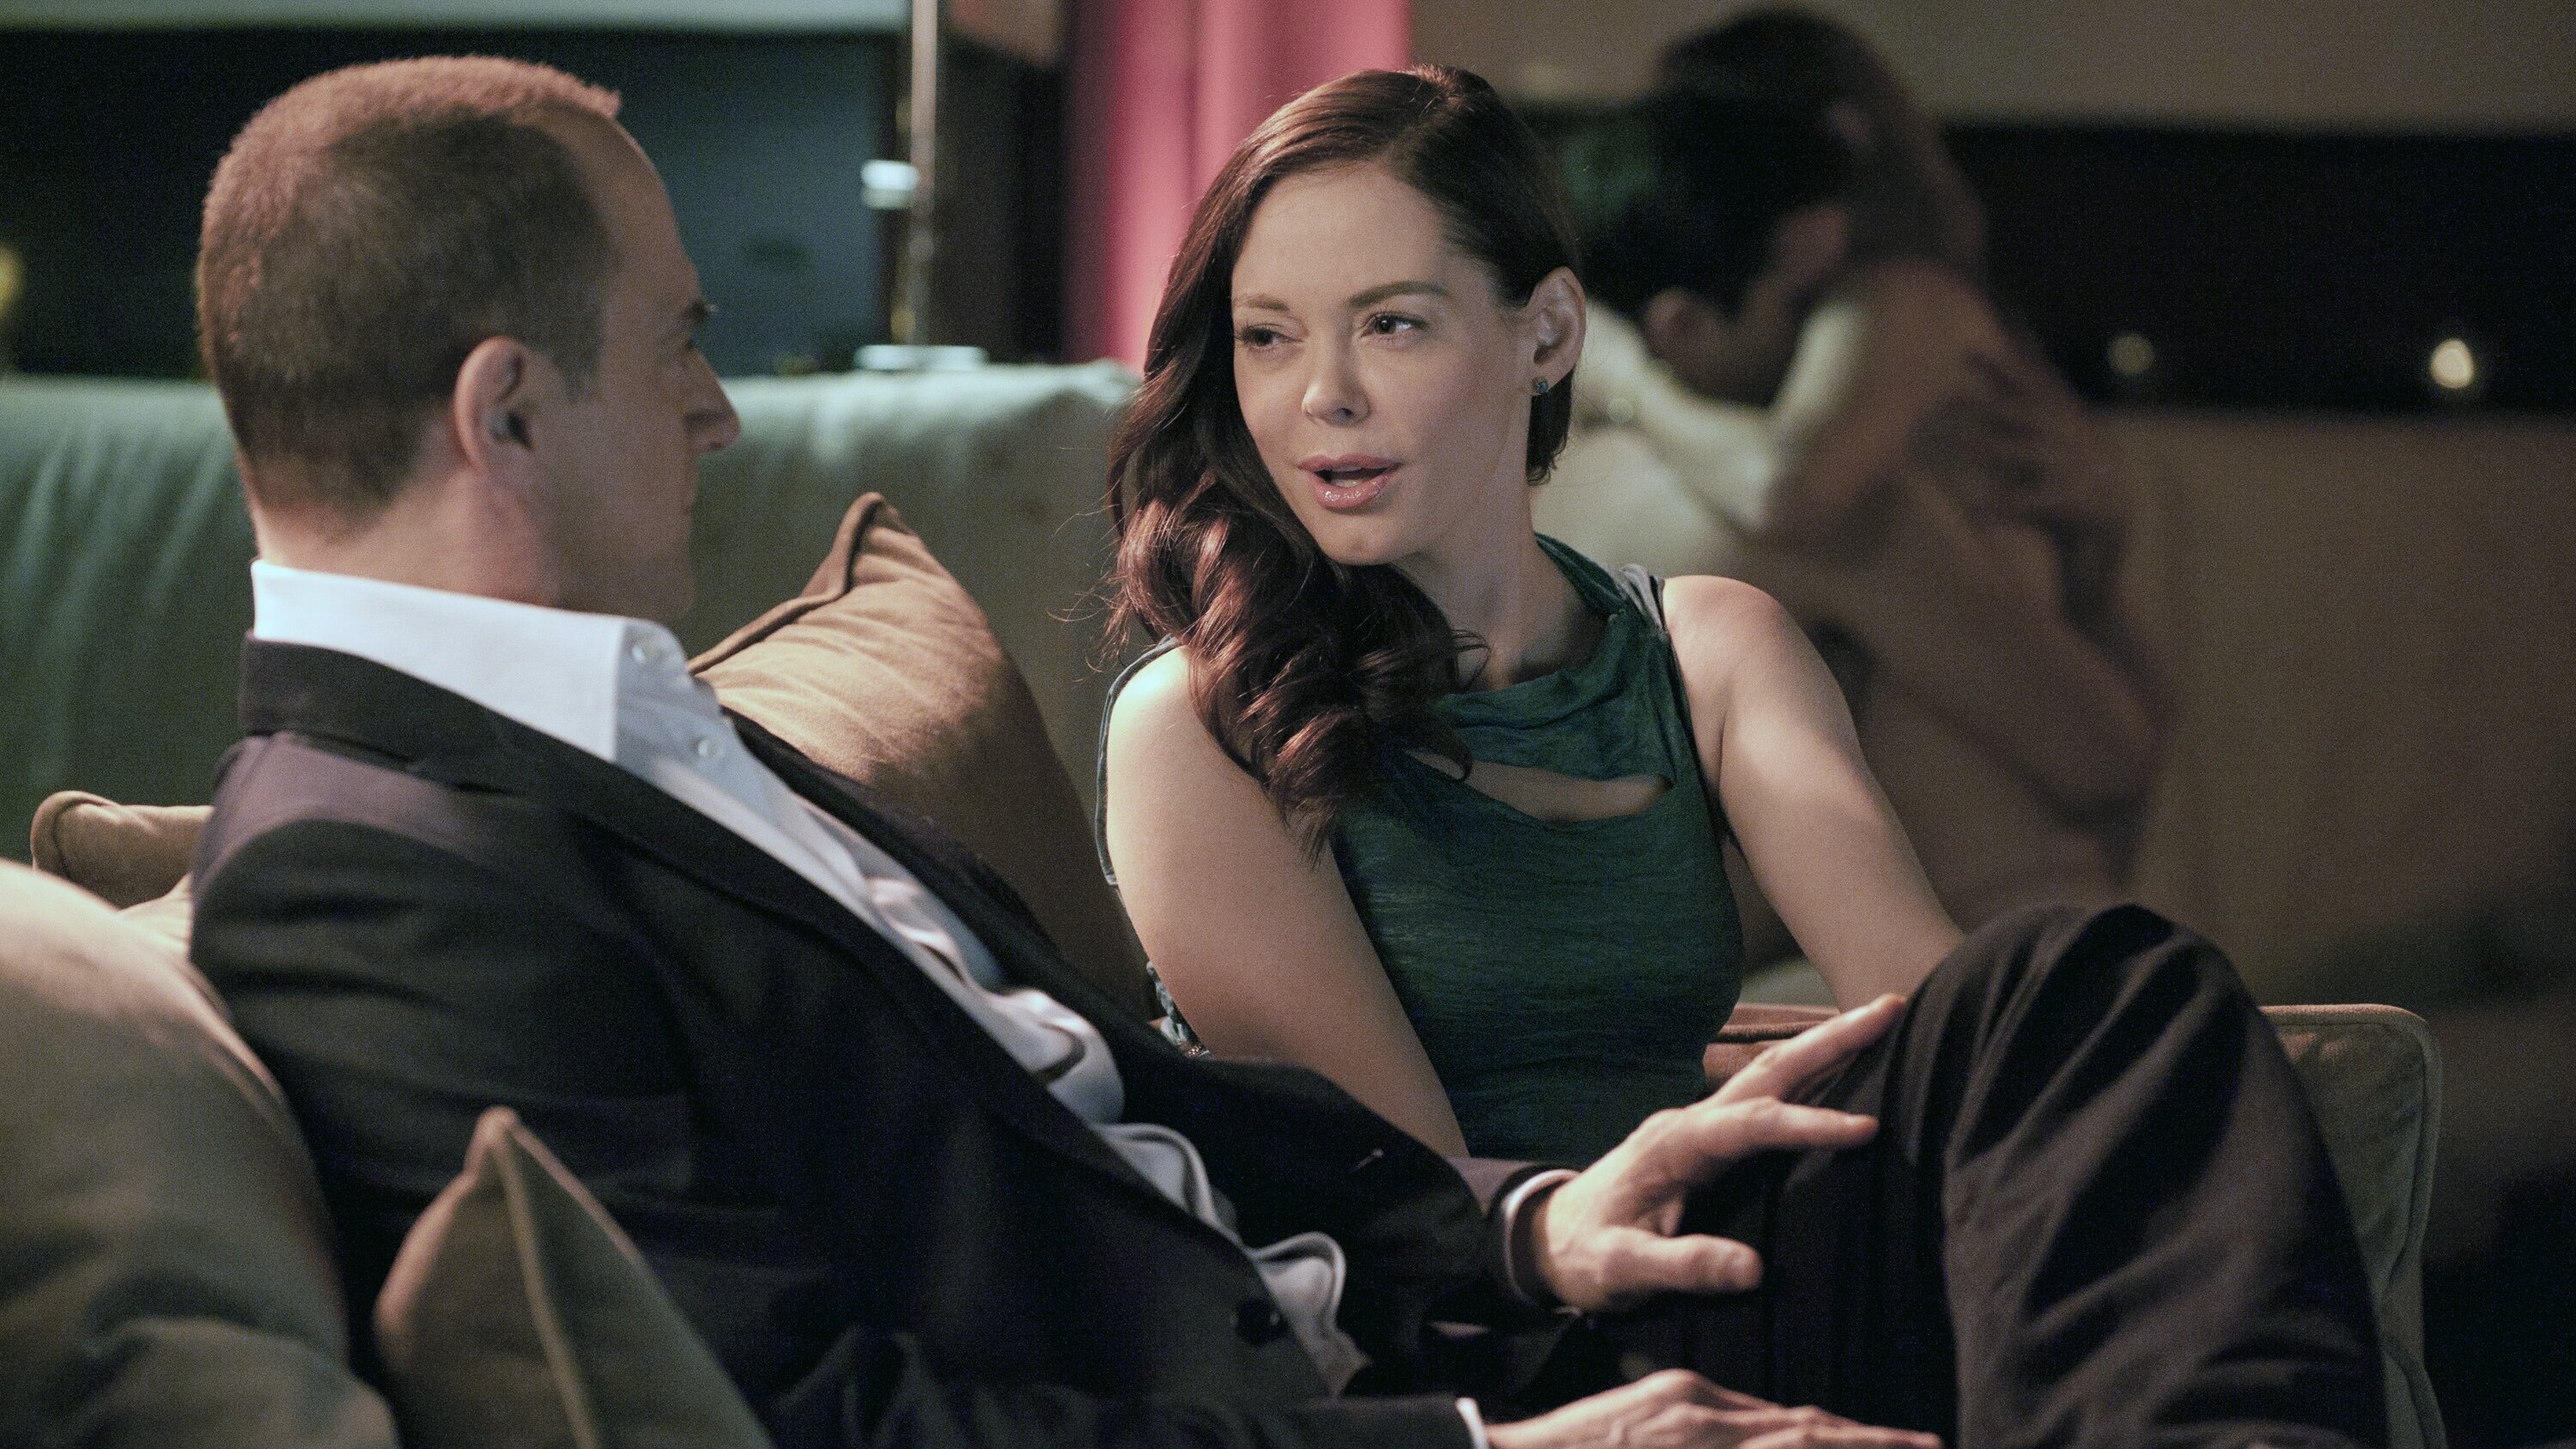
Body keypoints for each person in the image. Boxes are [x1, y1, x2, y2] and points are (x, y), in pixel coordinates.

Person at [188, 56, 2379, 1449]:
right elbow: (823, 1408)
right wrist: (1480, 1433)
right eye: (678, 341)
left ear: (1539, 337)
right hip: (1378, 1398)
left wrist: (1532, 1227)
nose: (721, 408)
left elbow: (1139, 1108)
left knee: (2094, 988)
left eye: (1391, 326)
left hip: (1467, 1279)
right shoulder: (373, 874)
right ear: (505, 413)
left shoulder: (627, 741)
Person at [1537, 18, 2171, 947]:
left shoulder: (1542, 484)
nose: (1817, 323)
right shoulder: (1830, 512)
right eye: (1805, 303)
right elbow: (2110, 756)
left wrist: (2098, 548)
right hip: (1997, 952)